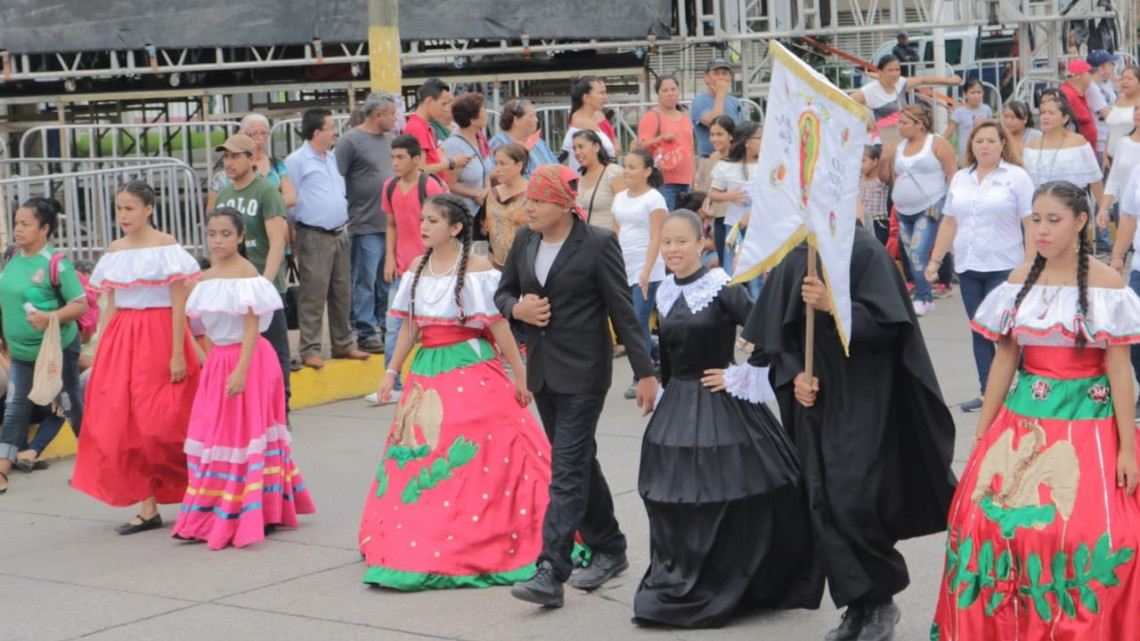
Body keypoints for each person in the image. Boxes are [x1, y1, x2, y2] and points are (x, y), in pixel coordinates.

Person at [931, 181, 1140, 640]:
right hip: (1020, 424)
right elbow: (1005, 360)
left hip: (1089, 427)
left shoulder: (1109, 285)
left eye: (1054, 220)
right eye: (1036, 220)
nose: (1042, 230)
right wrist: (984, 434)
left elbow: (1120, 371)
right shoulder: (1017, 281)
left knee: (1092, 536)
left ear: (1081, 222)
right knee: (985, 529)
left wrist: (1127, 447)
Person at [743, 210, 957, 641]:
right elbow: (774, 341)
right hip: (812, 397)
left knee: (854, 494)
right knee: (822, 500)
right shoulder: (796, 259)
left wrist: (835, 307)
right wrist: (792, 376)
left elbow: (891, 326)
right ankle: (858, 605)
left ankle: (880, 599)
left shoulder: (864, 252)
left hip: (863, 394)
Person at [632, 209, 818, 628]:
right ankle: (682, 576)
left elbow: (767, 331)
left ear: (703, 242)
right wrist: (659, 393)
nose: (673, 249)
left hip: (721, 401)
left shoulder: (722, 286)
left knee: (738, 490)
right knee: (672, 493)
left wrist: (741, 374)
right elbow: (670, 355)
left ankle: (737, 580)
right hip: (676, 403)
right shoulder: (664, 292)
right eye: (666, 242)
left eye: (682, 241)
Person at [359, 193, 549, 589]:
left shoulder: (479, 270)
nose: (423, 226)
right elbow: (410, 328)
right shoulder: (416, 267)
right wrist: (391, 372)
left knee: (480, 456)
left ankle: (483, 532)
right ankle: (422, 532)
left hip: (471, 367)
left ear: (456, 228)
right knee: (420, 454)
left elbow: (499, 328)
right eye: (422, 219)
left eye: (433, 220)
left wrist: (520, 375)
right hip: (426, 372)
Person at [496, 164, 659, 608]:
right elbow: (503, 292)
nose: (527, 207)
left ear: (563, 204)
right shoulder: (526, 241)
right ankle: (609, 546)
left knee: (565, 469)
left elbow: (623, 312)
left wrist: (645, 373)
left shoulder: (598, 244)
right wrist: (518, 310)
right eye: (527, 199)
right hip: (544, 371)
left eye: (537, 200)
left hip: (586, 372)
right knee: (578, 459)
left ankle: (552, 568)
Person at [172, 209, 315, 549]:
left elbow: (251, 328)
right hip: (219, 361)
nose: (218, 240)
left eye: (225, 233)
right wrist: (205, 358)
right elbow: (193, 325)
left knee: (246, 434)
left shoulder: (247, 274)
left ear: (239, 237)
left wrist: (240, 370)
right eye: (212, 233)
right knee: (213, 434)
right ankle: (214, 508)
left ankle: (256, 511)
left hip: (250, 361)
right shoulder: (203, 279)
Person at [71, 181, 202, 533]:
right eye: (119, 208)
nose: (123, 215)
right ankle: (148, 504)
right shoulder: (115, 249)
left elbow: (179, 303)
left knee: (165, 424)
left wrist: (177, 351)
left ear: (149, 209)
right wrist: (100, 351)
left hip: (159, 335)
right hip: (121, 338)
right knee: (125, 425)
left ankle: (200, 489)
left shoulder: (166, 246)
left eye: (130, 208)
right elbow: (110, 304)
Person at [926, 121, 1035, 414]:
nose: (984, 146)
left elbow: (1030, 222)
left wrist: (1031, 265)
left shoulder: (1017, 177)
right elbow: (950, 221)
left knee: (1006, 331)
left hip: (1005, 267)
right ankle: (988, 392)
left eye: (991, 141)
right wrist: (935, 260)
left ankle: (1025, 386)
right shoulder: (961, 178)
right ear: (971, 146)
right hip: (969, 266)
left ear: (1002, 144)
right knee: (979, 331)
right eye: (979, 141)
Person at [0, 198, 88, 495]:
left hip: (56, 350)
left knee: (70, 405)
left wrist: (51, 317)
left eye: (26, 224)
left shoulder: (56, 263)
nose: (18, 229)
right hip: (22, 353)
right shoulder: (13, 256)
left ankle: (93, 464)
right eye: (16, 223)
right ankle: (2, 471)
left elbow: (80, 304)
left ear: (44, 228)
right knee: (15, 407)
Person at [285, 107, 370, 370]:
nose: (335, 131)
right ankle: (309, 348)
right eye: (331, 126)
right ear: (317, 132)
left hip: (338, 232)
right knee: (314, 292)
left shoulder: (331, 158)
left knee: (341, 291)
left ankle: (343, 343)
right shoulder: (297, 161)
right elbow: (291, 201)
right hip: (313, 234)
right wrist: (293, 237)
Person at [212, 133, 293, 407]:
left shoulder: (266, 191)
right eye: (226, 157)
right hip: (233, 286)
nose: (229, 162)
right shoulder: (223, 194)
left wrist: (265, 285)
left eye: (235, 156)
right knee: (239, 347)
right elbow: (218, 244)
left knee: (273, 348)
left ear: (251, 158)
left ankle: (281, 405)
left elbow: (277, 241)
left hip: (263, 283)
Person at [378, 135, 448, 403]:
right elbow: (392, 225)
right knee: (394, 325)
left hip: (430, 269)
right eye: (392, 157)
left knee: (433, 327)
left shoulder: (430, 186)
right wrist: (389, 258)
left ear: (417, 159)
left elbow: (444, 225)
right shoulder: (389, 187)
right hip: (401, 269)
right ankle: (393, 383)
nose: (395, 163)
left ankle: (435, 380)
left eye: (401, 157)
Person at [878, 105, 958, 315]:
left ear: (919, 125)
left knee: (917, 251)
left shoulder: (936, 143)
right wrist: (885, 159)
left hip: (930, 206)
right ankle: (924, 296)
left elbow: (952, 175)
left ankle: (924, 297)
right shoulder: (899, 147)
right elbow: (888, 179)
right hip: (904, 209)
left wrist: (951, 204)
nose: (900, 127)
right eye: (900, 122)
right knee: (912, 254)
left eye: (904, 123)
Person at [336, 93, 398, 355]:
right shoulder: (350, 141)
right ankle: (364, 331)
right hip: (364, 224)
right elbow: (338, 178)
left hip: (390, 225)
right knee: (364, 280)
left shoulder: (390, 140)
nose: (396, 119)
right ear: (378, 115)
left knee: (388, 281)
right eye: (393, 114)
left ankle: (386, 329)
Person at [612, 149, 667, 399]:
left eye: (633, 167)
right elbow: (614, 233)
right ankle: (655, 355)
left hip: (647, 268)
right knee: (629, 322)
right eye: (625, 166)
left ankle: (640, 376)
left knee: (637, 320)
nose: (627, 171)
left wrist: (647, 270)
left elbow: (657, 235)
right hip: (623, 265)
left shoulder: (654, 199)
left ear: (647, 171)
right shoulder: (620, 197)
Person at [1023, 92, 1105, 244]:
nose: (1045, 117)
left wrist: (1103, 207)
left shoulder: (1077, 142)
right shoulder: (1033, 144)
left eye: (1051, 113)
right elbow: (1024, 181)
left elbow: (1094, 177)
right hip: (1040, 208)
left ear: (1065, 118)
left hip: (1069, 206)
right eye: (1042, 113)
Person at [851, 55, 961, 144]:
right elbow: (846, 101)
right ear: (880, 72)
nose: (894, 74)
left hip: (905, 136)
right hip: (882, 142)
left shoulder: (900, 83)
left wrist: (950, 81)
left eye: (897, 70)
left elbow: (923, 80)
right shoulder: (870, 90)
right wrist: (866, 119)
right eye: (890, 70)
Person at [205, 113, 297, 215]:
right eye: (254, 134)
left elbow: (291, 198)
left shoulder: (278, 166)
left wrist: (260, 208)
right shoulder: (224, 176)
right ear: (242, 134)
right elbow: (212, 211)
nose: (260, 139)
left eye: (264, 133)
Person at [709, 121, 760, 279]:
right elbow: (713, 194)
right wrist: (729, 197)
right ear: (747, 142)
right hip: (734, 227)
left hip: (758, 227)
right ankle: (732, 299)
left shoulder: (766, 166)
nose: (764, 142)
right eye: (760, 138)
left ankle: (756, 302)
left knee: (756, 272)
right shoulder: (725, 166)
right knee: (731, 268)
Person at [636, 75, 695, 211]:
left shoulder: (685, 117)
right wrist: (661, 138)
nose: (670, 93)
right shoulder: (652, 116)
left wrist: (693, 179)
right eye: (665, 90)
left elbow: (690, 149)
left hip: (686, 181)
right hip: (664, 181)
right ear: (658, 94)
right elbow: (642, 145)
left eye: (673, 89)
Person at [440, 92, 492, 218]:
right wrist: (476, 194)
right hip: (464, 212)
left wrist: (487, 190)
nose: (487, 114)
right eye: (483, 112)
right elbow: (451, 184)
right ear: (473, 120)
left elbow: (486, 170)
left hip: (482, 208)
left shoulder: (479, 138)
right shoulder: (454, 145)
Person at [405, 78, 470, 177]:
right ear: (429, 101)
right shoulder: (417, 128)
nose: (445, 109)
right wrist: (451, 163)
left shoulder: (422, 125)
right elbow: (420, 169)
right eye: (443, 104)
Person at [694, 115, 736, 266]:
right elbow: (710, 187)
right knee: (724, 259)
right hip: (718, 217)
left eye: (720, 134)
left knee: (734, 261)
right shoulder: (713, 157)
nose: (714, 139)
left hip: (735, 217)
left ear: (731, 135)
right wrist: (707, 206)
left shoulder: (739, 158)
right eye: (712, 135)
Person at [488, 99, 559, 177]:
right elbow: (493, 175)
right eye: (532, 116)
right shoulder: (498, 144)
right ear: (517, 120)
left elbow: (557, 167)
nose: (536, 120)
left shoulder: (539, 143)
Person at [486, 143, 529, 270]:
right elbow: (491, 234)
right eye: (496, 164)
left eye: (503, 164)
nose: (497, 169)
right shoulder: (492, 195)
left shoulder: (533, 194)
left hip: (525, 265)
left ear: (519, 165)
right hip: (497, 265)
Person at [572, 129, 625, 231]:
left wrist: (615, 242)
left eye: (581, 147)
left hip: (609, 240)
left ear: (596, 147)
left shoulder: (613, 172)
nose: (577, 152)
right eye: (574, 148)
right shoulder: (581, 177)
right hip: (586, 240)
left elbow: (623, 212)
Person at [562, 76, 619, 171]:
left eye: (605, 93)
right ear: (586, 97)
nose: (605, 97)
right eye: (600, 93)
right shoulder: (581, 123)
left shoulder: (594, 118)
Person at [691, 59, 744, 161]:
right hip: (711, 159)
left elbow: (742, 129)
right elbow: (716, 123)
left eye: (725, 74)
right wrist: (720, 94)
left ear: (730, 77)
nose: (721, 77)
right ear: (706, 77)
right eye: (716, 73)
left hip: (734, 158)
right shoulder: (699, 102)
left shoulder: (735, 102)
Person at [1100, 105, 1140, 233]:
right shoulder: (1123, 143)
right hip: (1127, 218)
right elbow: (1114, 179)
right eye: (1136, 109)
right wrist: (1103, 209)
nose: (1137, 113)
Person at [944, 78, 993, 162]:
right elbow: (948, 133)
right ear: (965, 94)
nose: (976, 96)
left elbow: (992, 130)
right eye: (972, 93)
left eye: (979, 92)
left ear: (983, 93)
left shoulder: (986, 109)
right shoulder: (959, 112)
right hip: (965, 155)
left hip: (983, 153)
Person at [1060, 59, 1100, 156]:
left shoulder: (1076, 93)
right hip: (1078, 152)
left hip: (1085, 150)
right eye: (1089, 73)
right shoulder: (1067, 94)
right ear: (1082, 75)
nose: (1091, 78)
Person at [1086, 49, 1118, 161]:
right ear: (1101, 69)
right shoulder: (1092, 88)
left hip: (1109, 139)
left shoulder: (1104, 85)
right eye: (1110, 65)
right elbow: (1109, 116)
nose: (1113, 67)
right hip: (1101, 142)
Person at [1106, 66, 1140, 161]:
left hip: (1133, 159)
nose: (1125, 81)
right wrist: (1105, 155)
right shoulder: (1118, 101)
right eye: (1122, 78)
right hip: (1112, 158)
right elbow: (1111, 130)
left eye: (1129, 79)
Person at [860, 145, 891, 245]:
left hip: (879, 224)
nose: (860, 165)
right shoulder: (857, 182)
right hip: (862, 223)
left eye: (863, 161)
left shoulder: (882, 181)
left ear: (875, 161)